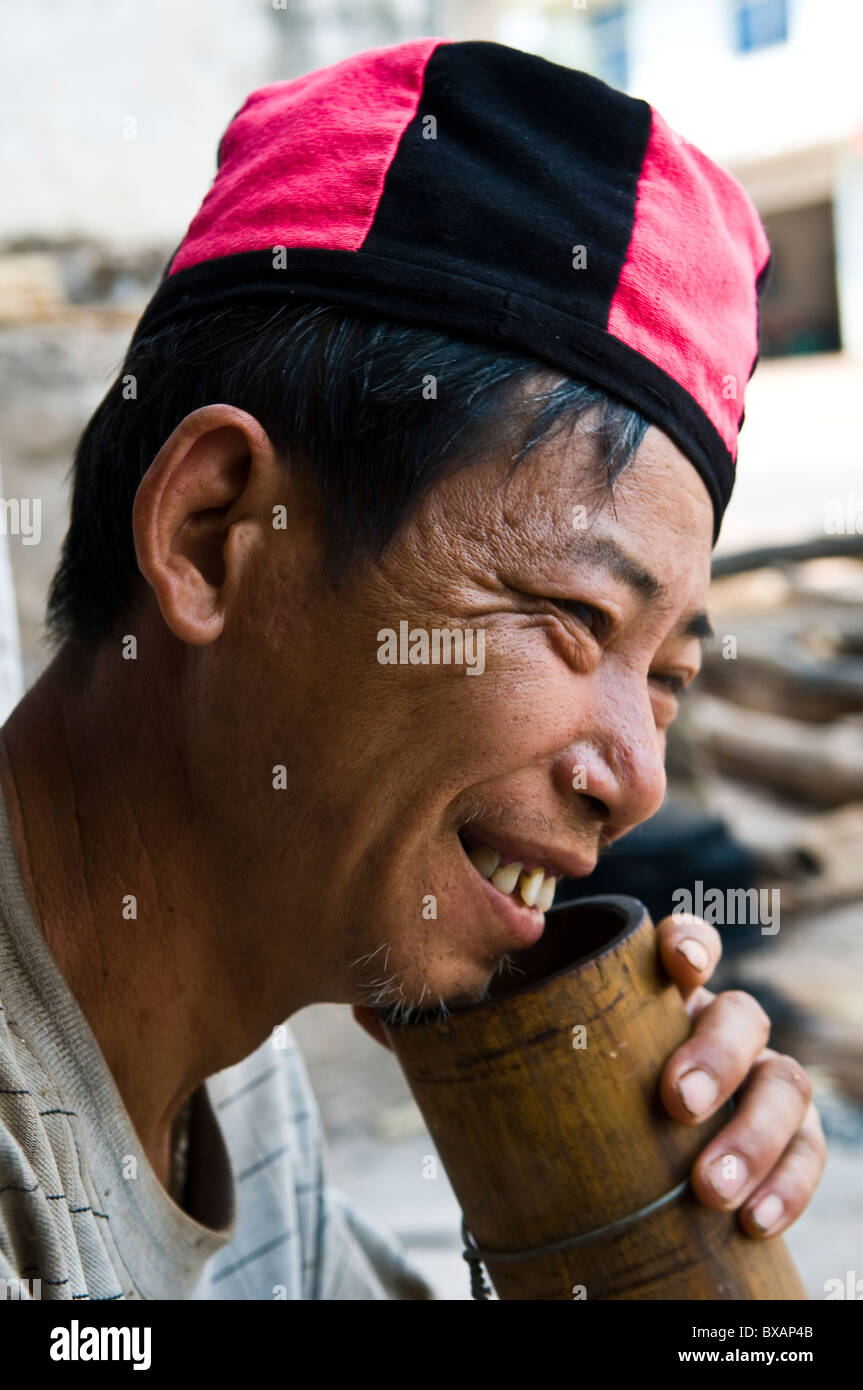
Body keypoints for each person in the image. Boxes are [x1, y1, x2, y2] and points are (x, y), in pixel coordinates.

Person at [0, 38, 825, 1301]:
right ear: (218, 534)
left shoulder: (232, 1044)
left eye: (666, 673)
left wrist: (610, 1222)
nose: (641, 779)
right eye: (572, 614)